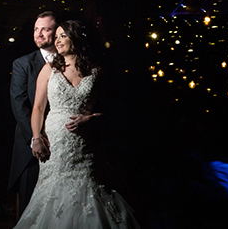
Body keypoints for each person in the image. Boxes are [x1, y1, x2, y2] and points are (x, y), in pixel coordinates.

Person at [14, 20, 140, 228]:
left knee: (89, 189)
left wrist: (90, 119)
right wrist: (36, 137)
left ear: (77, 38)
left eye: (62, 35)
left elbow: (111, 110)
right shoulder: (48, 70)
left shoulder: (96, 71)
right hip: (54, 146)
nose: (57, 40)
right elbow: (37, 108)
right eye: (56, 37)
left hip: (85, 145)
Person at [9, 11, 57, 219]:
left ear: (58, 33)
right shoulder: (23, 64)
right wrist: (37, 138)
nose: (39, 34)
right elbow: (20, 106)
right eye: (36, 29)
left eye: (45, 29)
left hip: (63, 141)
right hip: (32, 145)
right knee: (30, 206)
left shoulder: (71, 62)